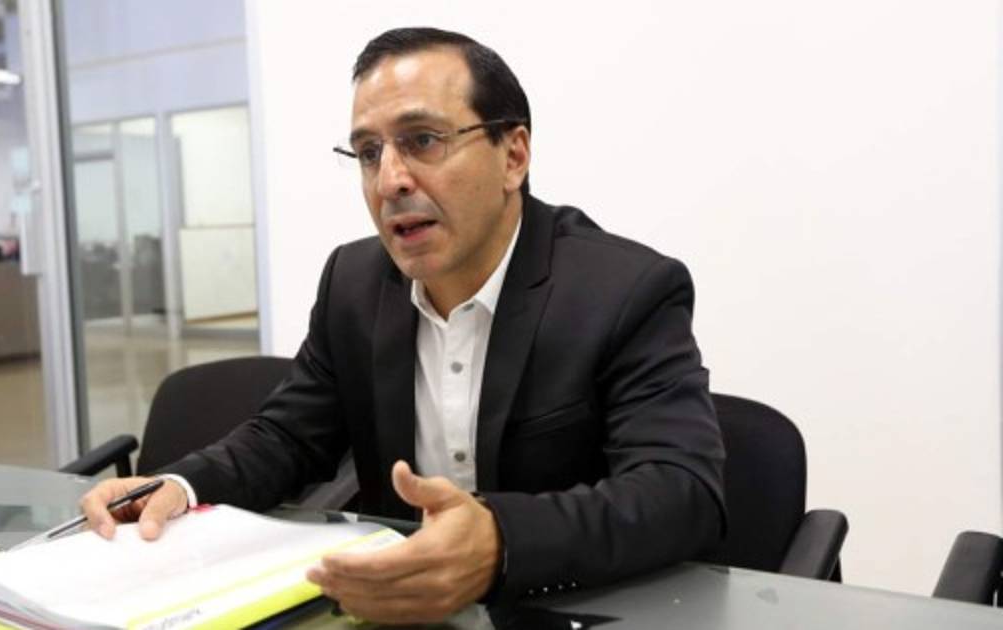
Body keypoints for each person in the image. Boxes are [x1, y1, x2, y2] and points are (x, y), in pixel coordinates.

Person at [80, 26, 726, 624]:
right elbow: (288, 437)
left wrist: (499, 540)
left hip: (559, 609)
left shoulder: (624, 291)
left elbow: (682, 490)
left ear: (513, 156)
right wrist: (182, 484)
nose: (390, 181)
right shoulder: (353, 282)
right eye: (368, 152)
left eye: (422, 141)